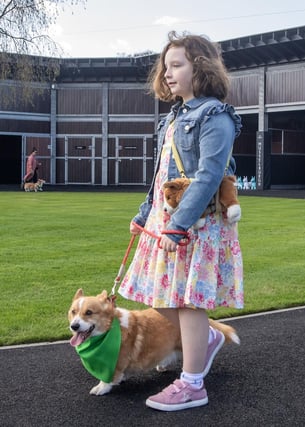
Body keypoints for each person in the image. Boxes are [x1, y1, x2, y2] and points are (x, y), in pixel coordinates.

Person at [118, 31, 244, 411]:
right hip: (166, 221)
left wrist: (178, 225)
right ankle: (206, 340)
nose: (168, 73)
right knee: (164, 299)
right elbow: (160, 177)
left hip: (194, 226)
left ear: (200, 67)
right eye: (166, 66)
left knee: (187, 303)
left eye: (178, 65)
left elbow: (208, 176)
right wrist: (144, 216)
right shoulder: (173, 116)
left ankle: (192, 384)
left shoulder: (215, 116)